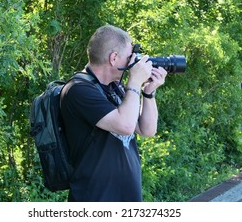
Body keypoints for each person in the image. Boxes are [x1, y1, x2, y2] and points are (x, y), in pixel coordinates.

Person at [60, 24, 167, 201]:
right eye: (128, 57)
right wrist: (134, 82)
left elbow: (146, 130)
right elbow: (125, 126)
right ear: (114, 57)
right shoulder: (78, 90)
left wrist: (148, 91)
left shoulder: (114, 88)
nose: (132, 63)